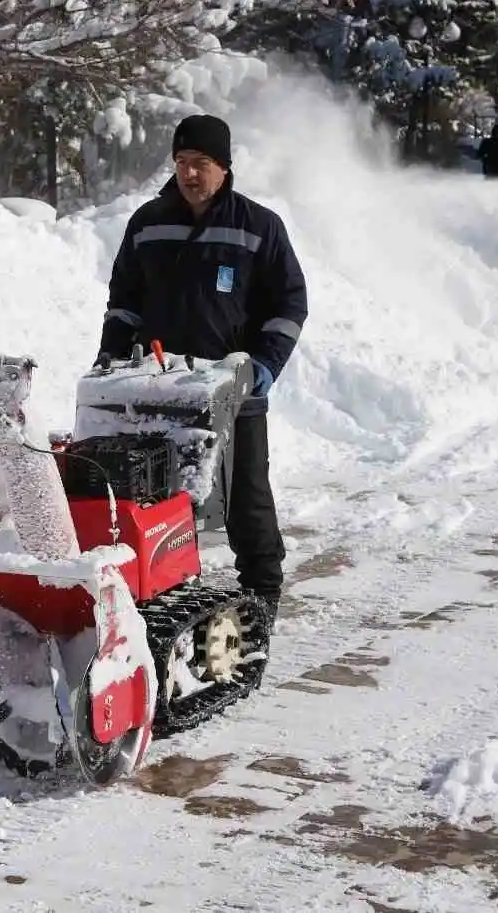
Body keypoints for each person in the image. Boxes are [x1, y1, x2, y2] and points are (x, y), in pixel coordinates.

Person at [97, 114, 307, 629]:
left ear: (225, 167)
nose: (190, 174)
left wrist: (264, 365)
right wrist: (111, 357)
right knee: (155, 498)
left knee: (246, 498)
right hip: (159, 388)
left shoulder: (258, 227)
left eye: (202, 164)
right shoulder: (148, 223)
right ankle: (160, 595)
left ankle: (262, 595)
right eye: (182, 163)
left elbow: (289, 303)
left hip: (233, 391)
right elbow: (124, 301)